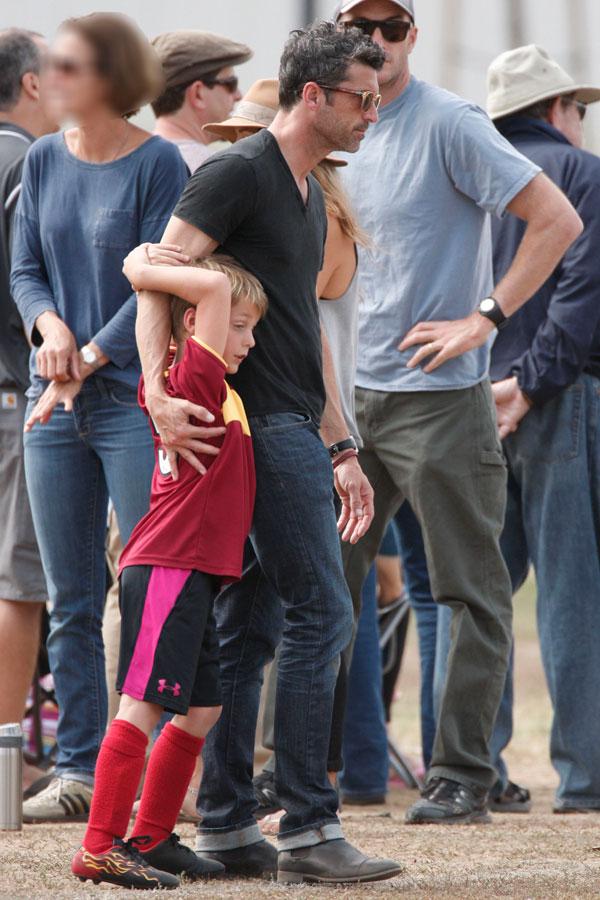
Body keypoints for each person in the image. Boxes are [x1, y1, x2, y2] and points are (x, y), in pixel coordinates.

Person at [134, 21, 403, 884]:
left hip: (292, 425)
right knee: (323, 610)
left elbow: (304, 332)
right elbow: (157, 273)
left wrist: (342, 443)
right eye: (362, 97)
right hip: (250, 425)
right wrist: (157, 390)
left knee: (248, 629)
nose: (373, 111)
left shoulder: (305, 187)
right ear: (314, 95)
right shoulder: (238, 172)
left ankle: (224, 826)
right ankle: (310, 830)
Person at [335, 0, 583, 825]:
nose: (374, 41)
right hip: (351, 399)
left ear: (409, 36)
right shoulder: (336, 124)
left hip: (444, 402)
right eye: (357, 27)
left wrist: (486, 315)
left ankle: (462, 775)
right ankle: (301, 770)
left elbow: (558, 221)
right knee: (321, 590)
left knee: (471, 595)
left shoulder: (451, 122)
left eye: (392, 26)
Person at [11, 12, 189, 823]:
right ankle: (80, 767)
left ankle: (149, 767)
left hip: (127, 402)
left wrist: (88, 359)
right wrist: (49, 330)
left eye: (70, 66)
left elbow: (159, 280)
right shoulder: (43, 159)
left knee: (150, 587)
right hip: (55, 406)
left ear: (111, 77)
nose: (51, 78)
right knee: (72, 595)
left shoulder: (160, 164)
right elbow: (24, 271)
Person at [72, 247, 267, 889]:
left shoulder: (210, 386)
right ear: (195, 325)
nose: (247, 339)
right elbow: (209, 289)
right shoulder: (193, 378)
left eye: (251, 327)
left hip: (194, 573)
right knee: (142, 706)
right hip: (166, 566)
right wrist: (139, 267)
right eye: (236, 325)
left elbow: (211, 294)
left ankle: (151, 837)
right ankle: (101, 846)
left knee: (202, 708)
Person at [485, 44, 600, 814]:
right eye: (581, 110)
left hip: (470, 396)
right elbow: (584, 292)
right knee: (570, 593)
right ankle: (585, 777)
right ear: (558, 110)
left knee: (480, 592)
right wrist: (531, 384)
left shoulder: (474, 174)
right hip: (555, 395)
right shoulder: (581, 174)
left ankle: (469, 767)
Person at [0, 29, 56, 781]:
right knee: (19, 580)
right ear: (34, 84)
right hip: (16, 391)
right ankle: (7, 760)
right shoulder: (27, 165)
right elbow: (30, 289)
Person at [151, 30, 251, 172]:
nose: (238, 95)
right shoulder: (218, 171)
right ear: (198, 93)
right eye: (230, 83)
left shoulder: (130, 163)